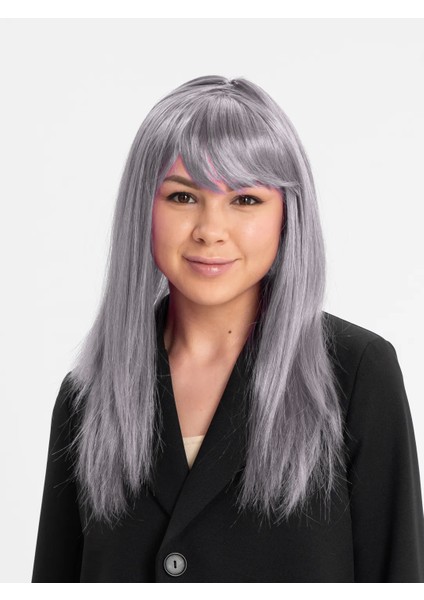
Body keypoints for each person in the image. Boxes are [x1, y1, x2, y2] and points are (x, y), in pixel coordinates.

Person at [31, 75, 424, 583]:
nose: (210, 231)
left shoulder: (355, 374)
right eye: (182, 197)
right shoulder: (88, 396)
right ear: (142, 210)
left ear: (287, 216)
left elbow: (399, 575)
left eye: (245, 200)